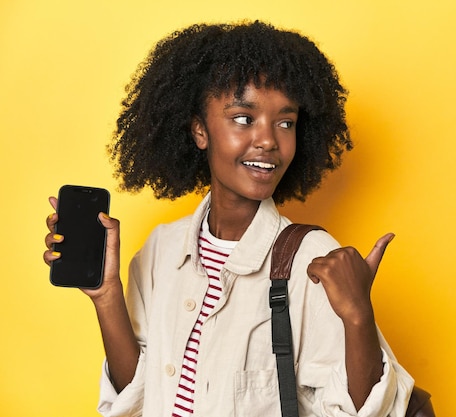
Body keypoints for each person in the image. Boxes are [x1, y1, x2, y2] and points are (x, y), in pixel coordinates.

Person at [43, 21, 415, 417]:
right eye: (243, 118)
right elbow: (137, 395)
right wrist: (107, 297)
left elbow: (358, 411)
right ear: (200, 131)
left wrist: (358, 316)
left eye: (285, 122)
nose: (268, 139)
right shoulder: (160, 248)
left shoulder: (314, 260)